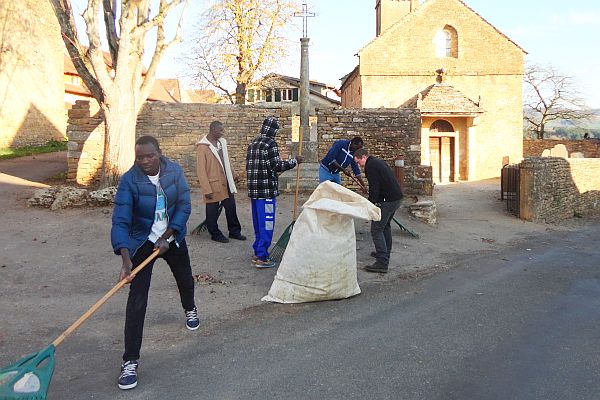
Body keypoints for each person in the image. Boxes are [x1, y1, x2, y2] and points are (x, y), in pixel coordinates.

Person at [111, 135, 198, 390]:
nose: (145, 161)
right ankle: (130, 361)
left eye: (150, 156)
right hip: (143, 241)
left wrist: (168, 235)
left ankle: (190, 308)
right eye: (140, 157)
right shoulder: (129, 181)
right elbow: (121, 221)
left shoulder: (174, 172)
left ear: (159, 153)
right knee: (137, 300)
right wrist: (126, 260)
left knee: (184, 278)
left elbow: (184, 205)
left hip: (171, 236)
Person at [246, 116, 303, 268]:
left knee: (258, 224)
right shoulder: (270, 144)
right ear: (273, 130)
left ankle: (257, 252)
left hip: (254, 191)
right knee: (267, 224)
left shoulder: (253, 143)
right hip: (266, 193)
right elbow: (276, 166)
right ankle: (262, 258)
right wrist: (294, 161)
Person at [353, 148, 403, 273]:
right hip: (396, 198)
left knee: (376, 229)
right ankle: (385, 253)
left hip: (388, 201)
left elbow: (375, 187)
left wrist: (371, 203)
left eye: (358, 162)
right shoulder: (377, 162)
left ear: (363, 157)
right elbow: (381, 183)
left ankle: (382, 263)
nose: (358, 165)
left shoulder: (370, 166)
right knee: (385, 226)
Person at [196, 121, 246, 243]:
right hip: (212, 184)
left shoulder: (221, 143)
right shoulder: (202, 147)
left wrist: (233, 175)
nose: (222, 133)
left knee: (231, 207)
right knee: (212, 210)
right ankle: (215, 233)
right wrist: (206, 189)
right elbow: (201, 170)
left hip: (226, 181)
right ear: (213, 129)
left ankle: (234, 231)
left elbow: (227, 161)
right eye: (220, 130)